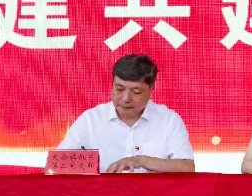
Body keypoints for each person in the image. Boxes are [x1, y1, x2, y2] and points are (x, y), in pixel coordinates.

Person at [57, 54, 194, 173]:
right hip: (102, 193)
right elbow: (56, 165)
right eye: (119, 89)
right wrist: (94, 166)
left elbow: (187, 168)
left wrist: (140, 161)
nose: (126, 99)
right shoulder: (91, 120)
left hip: (152, 194)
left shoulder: (169, 120)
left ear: (151, 88)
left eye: (136, 92)